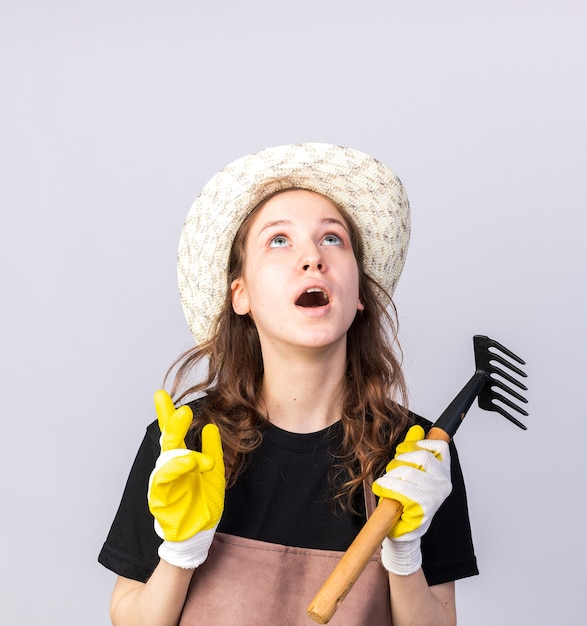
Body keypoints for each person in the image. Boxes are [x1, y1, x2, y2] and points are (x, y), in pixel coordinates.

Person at [98, 143, 478, 625]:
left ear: (358, 292)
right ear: (241, 295)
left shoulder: (415, 456)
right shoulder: (183, 444)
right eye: (279, 240)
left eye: (333, 239)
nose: (312, 258)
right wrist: (179, 554)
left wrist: (403, 554)